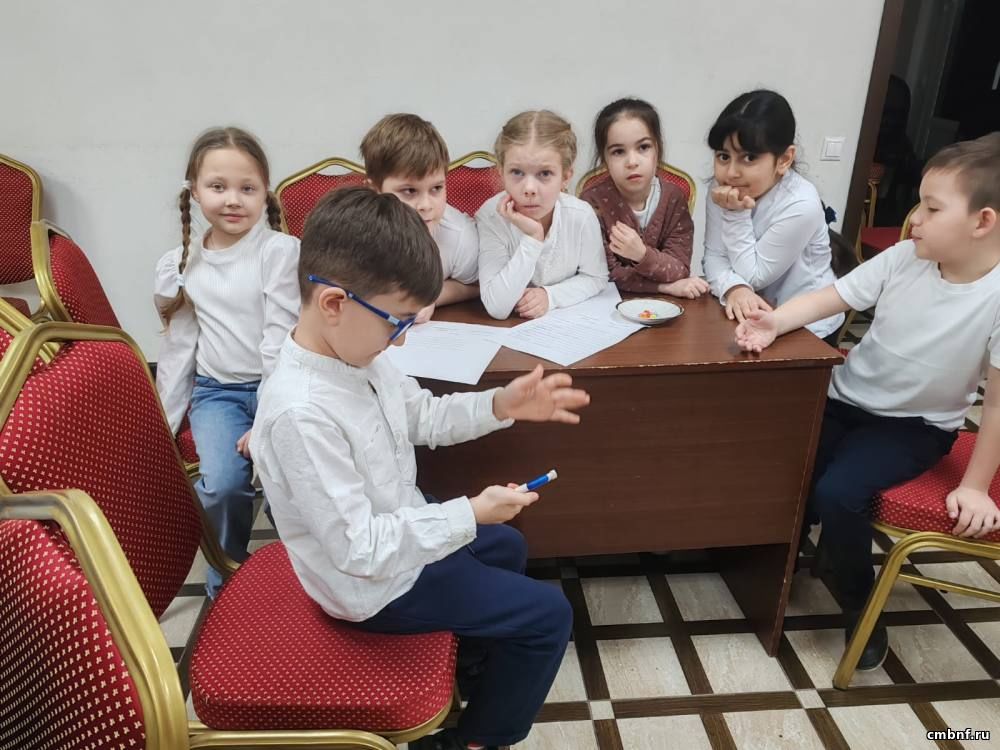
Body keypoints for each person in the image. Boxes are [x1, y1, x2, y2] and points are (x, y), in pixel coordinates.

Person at [250, 186, 590, 750]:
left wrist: (500, 405)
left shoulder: (358, 355)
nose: (401, 338)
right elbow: (360, 550)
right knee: (549, 614)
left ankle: (473, 665)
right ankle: (476, 741)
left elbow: (422, 416)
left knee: (507, 546)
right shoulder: (301, 414)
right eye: (397, 321)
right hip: (373, 586)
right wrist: (469, 512)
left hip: (399, 528)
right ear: (334, 304)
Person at [734, 133, 1000, 670]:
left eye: (931, 208)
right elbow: (833, 296)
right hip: (845, 399)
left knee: (838, 492)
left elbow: (995, 405)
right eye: (918, 204)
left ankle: (859, 601)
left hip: (914, 427)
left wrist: (974, 486)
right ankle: (770, 569)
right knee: (784, 471)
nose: (913, 220)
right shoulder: (904, 258)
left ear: (983, 222)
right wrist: (774, 322)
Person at [154, 126, 299, 597]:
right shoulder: (181, 262)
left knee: (289, 482)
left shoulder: (278, 252)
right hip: (217, 392)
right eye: (218, 186)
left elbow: (280, 340)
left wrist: (269, 418)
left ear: (265, 192)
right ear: (194, 191)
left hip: (282, 385)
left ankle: (304, 570)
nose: (233, 200)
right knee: (222, 485)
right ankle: (227, 574)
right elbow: (180, 348)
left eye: (247, 188)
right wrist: (165, 425)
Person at [702, 89, 846, 345]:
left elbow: (755, 275)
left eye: (749, 158)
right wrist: (733, 288)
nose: (731, 172)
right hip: (751, 312)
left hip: (808, 327)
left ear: (784, 159)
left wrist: (735, 213)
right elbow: (713, 255)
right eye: (723, 156)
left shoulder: (802, 203)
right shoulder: (721, 187)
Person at [476, 110, 608, 319]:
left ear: (565, 177)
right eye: (517, 172)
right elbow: (497, 306)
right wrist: (533, 238)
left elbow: (596, 277)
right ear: (501, 173)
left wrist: (551, 296)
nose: (529, 188)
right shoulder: (491, 216)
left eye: (544, 173)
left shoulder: (581, 216)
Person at [581, 97, 707, 298]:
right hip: (609, 304)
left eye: (643, 147)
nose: (632, 162)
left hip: (667, 307)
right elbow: (605, 275)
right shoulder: (592, 202)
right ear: (604, 159)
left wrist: (641, 254)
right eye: (618, 151)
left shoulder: (673, 198)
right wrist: (664, 287)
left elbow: (679, 269)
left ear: (658, 149)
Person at [360, 112, 479, 322]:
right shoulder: (354, 234)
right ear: (374, 190)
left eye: (436, 188)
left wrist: (432, 297)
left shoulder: (460, 235)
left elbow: (477, 286)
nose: (425, 205)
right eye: (409, 191)